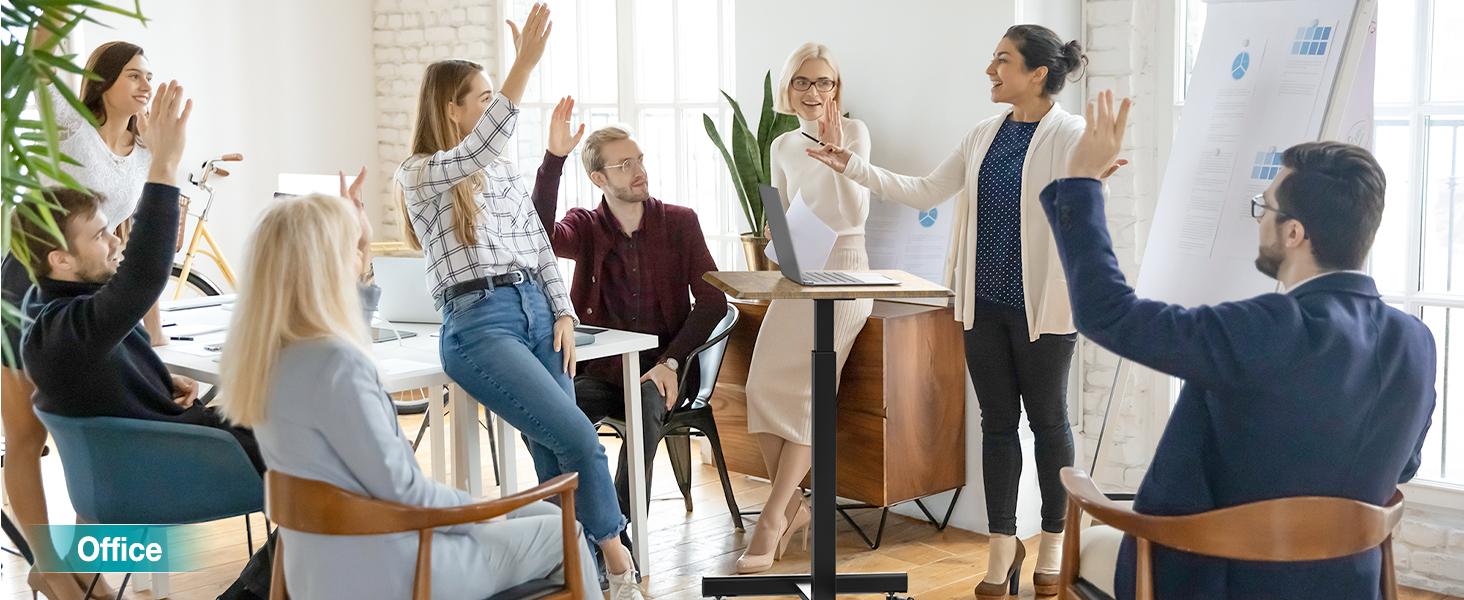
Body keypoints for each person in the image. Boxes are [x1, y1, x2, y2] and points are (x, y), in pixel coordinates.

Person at [1043, 91, 1435, 599]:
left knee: (1098, 537)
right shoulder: (1417, 341)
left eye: (1264, 207)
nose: (1259, 219)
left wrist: (1082, 183)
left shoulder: (1265, 327)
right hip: (1351, 585)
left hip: (1219, 584)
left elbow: (1108, 314)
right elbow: (1403, 467)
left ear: (1294, 233)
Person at [805, 25, 1121, 596]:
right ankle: (1002, 548)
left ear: (1037, 74)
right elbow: (924, 190)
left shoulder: (1069, 133)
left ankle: (1054, 541)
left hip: (1044, 308)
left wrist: (1093, 179)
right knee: (996, 425)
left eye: (1003, 60)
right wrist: (850, 165)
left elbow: (1083, 204)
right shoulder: (983, 134)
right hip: (982, 304)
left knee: (1048, 422)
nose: (990, 70)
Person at [215, 173, 599, 599]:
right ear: (327, 266)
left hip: (316, 573)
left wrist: (359, 240)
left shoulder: (270, 360)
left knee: (539, 515)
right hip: (396, 570)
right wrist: (479, 512)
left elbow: (342, 343)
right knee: (565, 531)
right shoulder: (339, 366)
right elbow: (405, 493)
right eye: (353, 252)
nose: (361, 260)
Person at [391, 6, 642, 599]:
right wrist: (523, 65)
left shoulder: (500, 173)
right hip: (479, 325)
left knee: (554, 454)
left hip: (537, 314)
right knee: (580, 440)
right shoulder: (420, 172)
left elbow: (537, 245)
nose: (490, 107)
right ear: (450, 109)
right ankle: (619, 565)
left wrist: (563, 312)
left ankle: (576, 574)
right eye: (481, 98)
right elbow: (477, 151)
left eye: (491, 97)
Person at [16, 81, 274, 600]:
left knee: (327, 440)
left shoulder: (64, 315)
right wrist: (165, 165)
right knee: (332, 468)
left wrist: (154, 380)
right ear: (60, 259)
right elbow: (144, 277)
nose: (115, 241)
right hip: (172, 465)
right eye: (100, 236)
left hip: (170, 446)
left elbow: (104, 360)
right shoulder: (64, 329)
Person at [3, 32, 178, 600]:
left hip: (92, 300)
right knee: (26, 434)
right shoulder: (72, 126)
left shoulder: (145, 154)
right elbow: (41, 57)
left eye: (149, 74)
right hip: (28, 286)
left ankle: (87, 566)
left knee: (98, 437)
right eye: (133, 74)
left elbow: (134, 248)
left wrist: (153, 337)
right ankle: (50, 566)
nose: (145, 84)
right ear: (104, 83)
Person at [532, 114, 728, 526]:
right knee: (539, 413)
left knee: (645, 404)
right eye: (625, 165)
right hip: (600, 376)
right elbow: (540, 237)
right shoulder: (585, 226)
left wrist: (672, 361)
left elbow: (713, 299)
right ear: (599, 179)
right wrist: (554, 160)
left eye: (639, 160)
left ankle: (618, 529)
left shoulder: (680, 222)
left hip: (662, 373)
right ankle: (564, 525)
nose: (639, 171)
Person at [737, 42, 874, 574]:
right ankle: (793, 503)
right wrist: (778, 238)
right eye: (803, 82)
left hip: (846, 267)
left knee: (808, 394)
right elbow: (785, 207)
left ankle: (772, 518)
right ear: (788, 88)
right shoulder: (781, 144)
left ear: (837, 88)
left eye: (825, 82)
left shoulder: (854, 133)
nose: (814, 92)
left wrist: (837, 156)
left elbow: (854, 212)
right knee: (761, 386)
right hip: (800, 267)